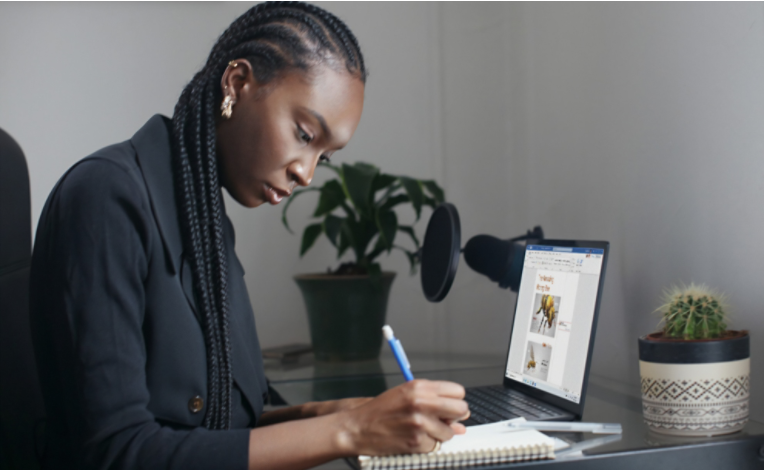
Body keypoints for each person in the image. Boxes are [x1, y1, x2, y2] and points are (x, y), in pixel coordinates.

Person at [28, 3, 469, 469]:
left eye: (326, 155)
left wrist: (335, 413)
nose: (306, 173)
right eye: (304, 133)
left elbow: (226, 427)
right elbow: (116, 453)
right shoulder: (105, 197)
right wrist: (348, 431)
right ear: (237, 84)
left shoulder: (205, 219)